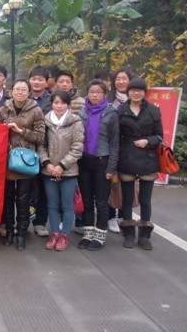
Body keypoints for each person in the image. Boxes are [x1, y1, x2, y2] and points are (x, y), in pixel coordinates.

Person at [0, 79, 44, 251]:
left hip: (26, 159)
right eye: (17, 89)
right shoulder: (4, 110)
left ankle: (21, 232)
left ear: (29, 92)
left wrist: (20, 131)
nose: (20, 92)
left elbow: (40, 136)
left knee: (23, 199)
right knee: (8, 198)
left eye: (24, 89)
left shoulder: (36, 110)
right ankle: (9, 230)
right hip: (6, 159)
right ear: (11, 91)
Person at [117, 77, 163, 250]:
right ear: (128, 92)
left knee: (145, 199)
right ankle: (128, 233)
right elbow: (116, 136)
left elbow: (159, 136)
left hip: (147, 157)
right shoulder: (121, 110)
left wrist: (147, 141)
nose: (136, 93)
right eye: (133, 90)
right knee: (127, 199)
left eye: (139, 90)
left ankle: (144, 235)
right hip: (127, 157)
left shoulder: (153, 110)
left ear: (145, 92)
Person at [39, 90, 84, 252]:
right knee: (52, 205)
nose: (59, 106)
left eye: (63, 103)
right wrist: (47, 164)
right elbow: (41, 145)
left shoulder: (75, 122)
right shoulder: (45, 121)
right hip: (49, 170)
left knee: (67, 205)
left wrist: (62, 166)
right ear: (52, 103)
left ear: (68, 105)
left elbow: (78, 147)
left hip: (69, 171)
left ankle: (64, 235)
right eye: (56, 102)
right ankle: (54, 234)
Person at [77, 80, 119, 250]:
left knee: (101, 202)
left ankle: (100, 235)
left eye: (98, 92)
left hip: (103, 160)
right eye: (91, 92)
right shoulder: (82, 112)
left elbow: (115, 143)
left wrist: (111, 168)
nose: (94, 95)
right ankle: (88, 233)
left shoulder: (111, 113)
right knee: (86, 200)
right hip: (84, 160)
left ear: (104, 94)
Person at [106, 68, 135, 233]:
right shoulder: (109, 101)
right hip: (112, 148)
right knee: (112, 183)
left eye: (124, 78)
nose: (121, 82)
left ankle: (125, 216)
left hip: (130, 150)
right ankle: (111, 216)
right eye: (118, 79)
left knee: (128, 184)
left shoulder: (136, 101)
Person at [28, 66, 52, 238]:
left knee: (43, 187)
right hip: (25, 148)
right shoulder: (22, 96)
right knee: (25, 186)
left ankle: (40, 222)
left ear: (47, 82)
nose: (36, 82)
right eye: (34, 79)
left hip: (46, 147)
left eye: (40, 79)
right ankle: (22, 221)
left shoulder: (53, 100)